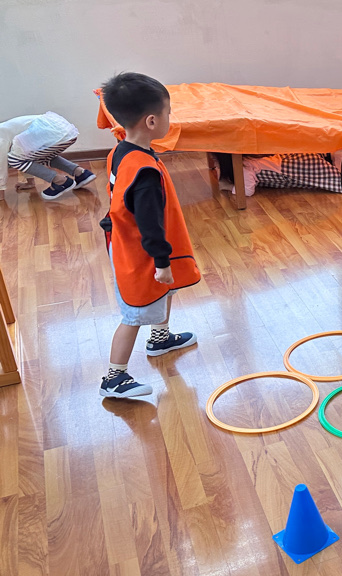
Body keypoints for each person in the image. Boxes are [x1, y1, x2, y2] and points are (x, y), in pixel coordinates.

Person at [99, 72, 202, 399]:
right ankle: (114, 378)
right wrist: (161, 262)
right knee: (133, 314)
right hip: (139, 253)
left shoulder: (122, 150)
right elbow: (149, 224)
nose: (171, 118)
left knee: (166, 291)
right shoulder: (143, 172)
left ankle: (160, 339)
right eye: (169, 112)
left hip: (128, 244)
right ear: (153, 121)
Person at [0, 112, 95, 200]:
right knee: (38, 157)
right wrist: (30, 182)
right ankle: (81, 173)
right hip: (66, 132)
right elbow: (26, 155)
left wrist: (1, 192)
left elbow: (1, 165)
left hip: (52, 134)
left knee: (13, 160)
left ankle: (60, 181)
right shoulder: (4, 129)